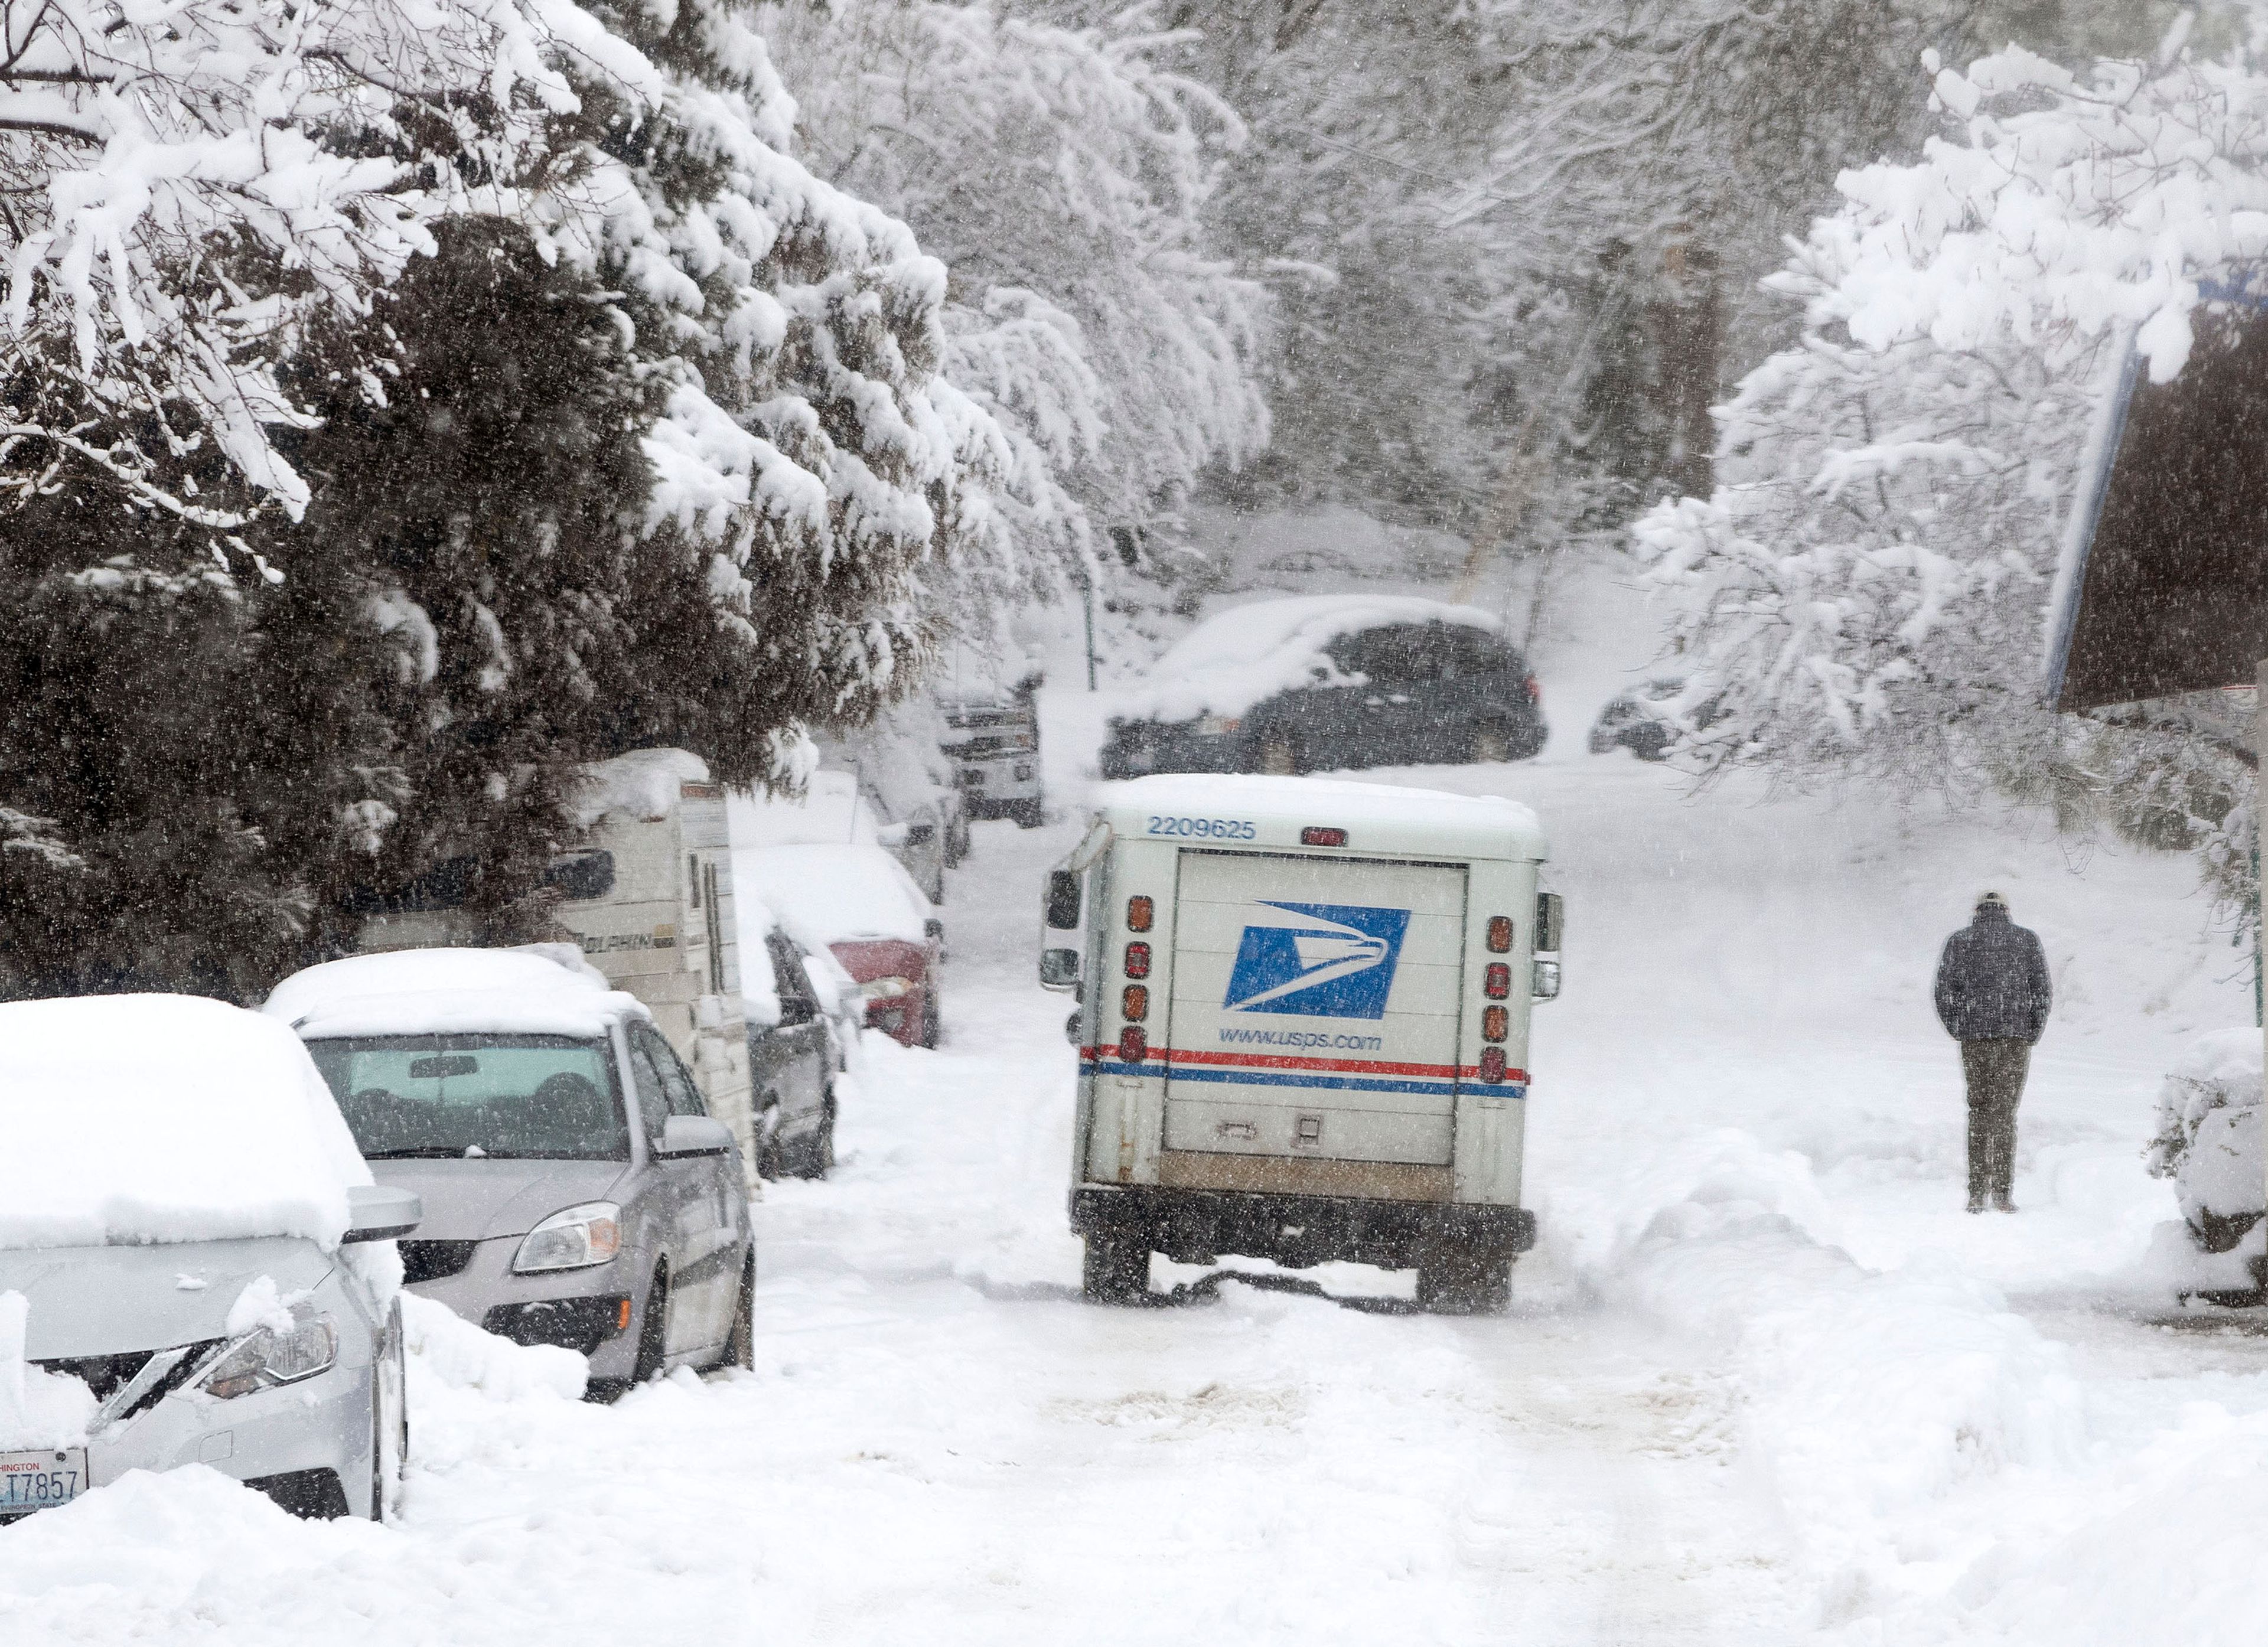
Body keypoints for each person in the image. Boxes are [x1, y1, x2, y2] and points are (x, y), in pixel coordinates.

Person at [1932, 892, 2052, 1213]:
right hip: (2013, 1038)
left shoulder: (1960, 941)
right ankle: (2002, 1193)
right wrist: (2031, 1032)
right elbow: (2041, 991)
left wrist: (1959, 1027)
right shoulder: (2026, 940)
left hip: (1975, 1038)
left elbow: (1944, 991)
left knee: (1979, 1113)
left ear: (1977, 912)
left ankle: (1976, 1192)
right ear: (2006, 911)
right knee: (2005, 1114)